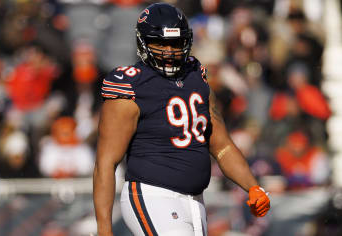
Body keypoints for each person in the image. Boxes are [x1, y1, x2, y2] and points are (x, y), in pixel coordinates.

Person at [93, 3, 270, 236]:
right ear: (143, 42)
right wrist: (104, 229)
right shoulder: (130, 86)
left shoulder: (196, 77)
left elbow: (223, 147)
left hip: (195, 202)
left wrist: (252, 186)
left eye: (175, 43)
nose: (169, 51)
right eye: (161, 43)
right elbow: (105, 163)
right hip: (152, 195)